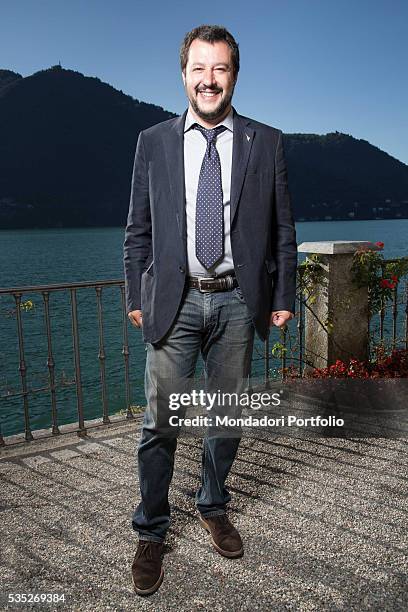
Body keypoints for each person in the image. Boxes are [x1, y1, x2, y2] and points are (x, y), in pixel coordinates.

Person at [123, 24, 297, 596]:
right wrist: (134, 296)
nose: (209, 80)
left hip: (237, 303)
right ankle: (151, 531)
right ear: (183, 76)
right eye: (199, 68)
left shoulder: (265, 142)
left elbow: (282, 232)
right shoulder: (153, 141)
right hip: (173, 305)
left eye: (220, 69)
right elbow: (137, 233)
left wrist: (281, 298)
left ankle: (212, 503)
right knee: (160, 424)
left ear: (234, 76)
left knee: (225, 419)